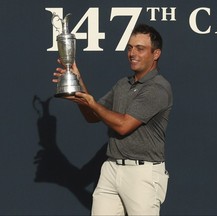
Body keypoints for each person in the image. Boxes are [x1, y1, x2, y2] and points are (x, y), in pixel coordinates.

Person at [53, 23, 173, 215]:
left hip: (142, 174)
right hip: (111, 168)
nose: (132, 53)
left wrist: (91, 102)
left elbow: (124, 125)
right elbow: (93, 116)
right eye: (130, 47)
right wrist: (78, 84)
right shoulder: (123, 84)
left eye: (140, 48)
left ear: (156, 54)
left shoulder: (158, 88)